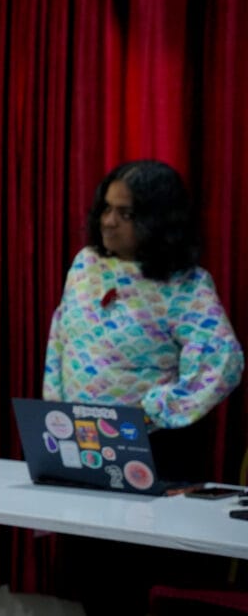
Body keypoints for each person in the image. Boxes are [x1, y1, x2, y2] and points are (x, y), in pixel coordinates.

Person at [42, 159, 243, 614]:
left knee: (136, 586)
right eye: (106, 209)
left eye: (126, 213)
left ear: (158, 221)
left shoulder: (184, 285)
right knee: (91, 583)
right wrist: (56, 414)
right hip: (81, 447)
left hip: (148, 455)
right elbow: (61, 338)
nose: (109, 222)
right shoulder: (86, 266)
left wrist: (153, 412)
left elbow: (222, 362)